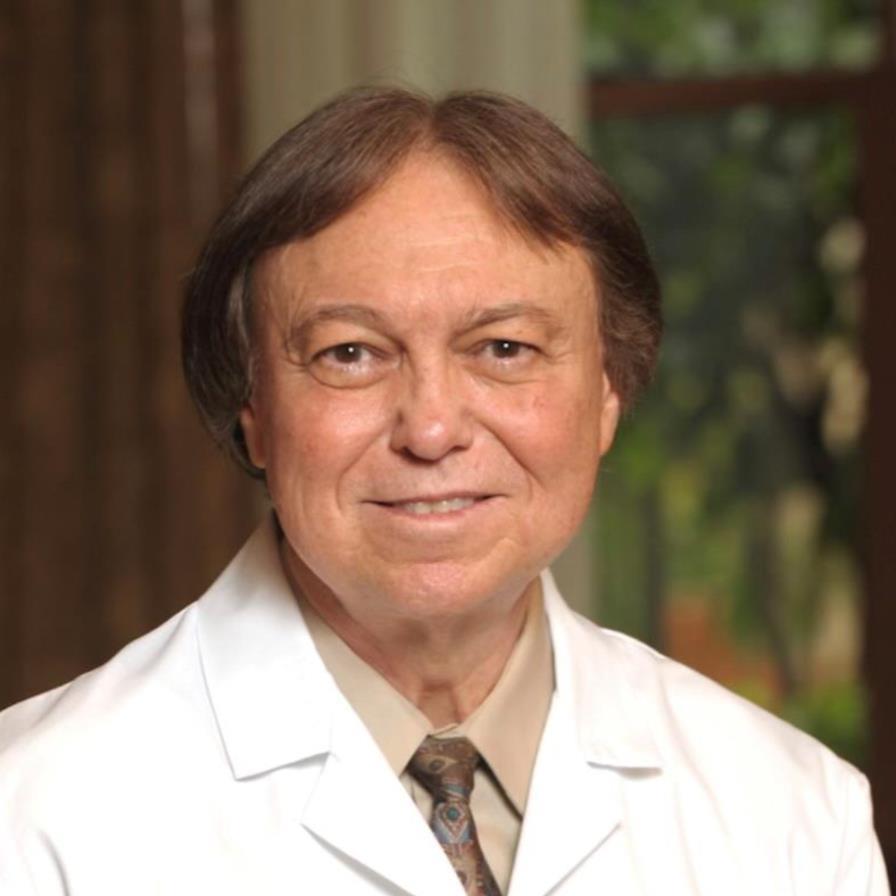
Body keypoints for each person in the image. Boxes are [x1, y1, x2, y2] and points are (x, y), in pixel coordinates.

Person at [0, 87, 888, 895]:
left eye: (505, 349)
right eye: (350, 353)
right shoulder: (36, 816)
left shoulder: (794, 814)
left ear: (608, 395)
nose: (430, 430)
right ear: (254, 409)